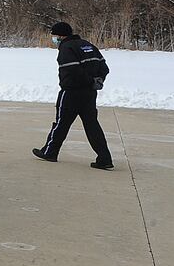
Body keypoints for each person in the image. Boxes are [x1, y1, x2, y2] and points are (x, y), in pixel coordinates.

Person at [31, 21, 114, 170]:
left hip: (71, 93)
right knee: (92, 125)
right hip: (89, 94)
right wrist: (97, 81)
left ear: (61, 36)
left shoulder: (66, 48)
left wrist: (88, 81)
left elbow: (72, 71)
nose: (53, 39)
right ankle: (104, 158)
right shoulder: (87, 44)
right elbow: (104, 66)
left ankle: (50, 152)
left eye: (54, 36)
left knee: (61, 123)